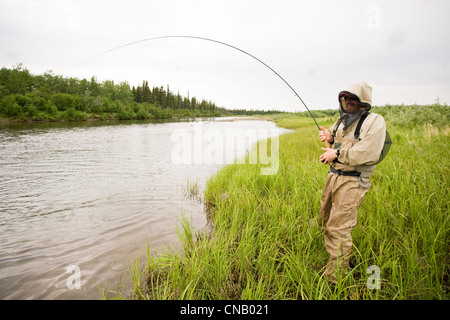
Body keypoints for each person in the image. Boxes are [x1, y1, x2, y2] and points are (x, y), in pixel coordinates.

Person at [317, 81, 386, 284]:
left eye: (352, 98)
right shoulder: (341, 121)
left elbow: (369, 152)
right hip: (333, 177)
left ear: (363, 101)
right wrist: (329, 137)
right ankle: (338, 260)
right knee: (325, 219)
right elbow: (332, 144)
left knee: (338, 229)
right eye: (345, 98)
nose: (348, 101)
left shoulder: (375, 121)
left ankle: (334, 281)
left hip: (353, 181)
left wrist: (336, 152)